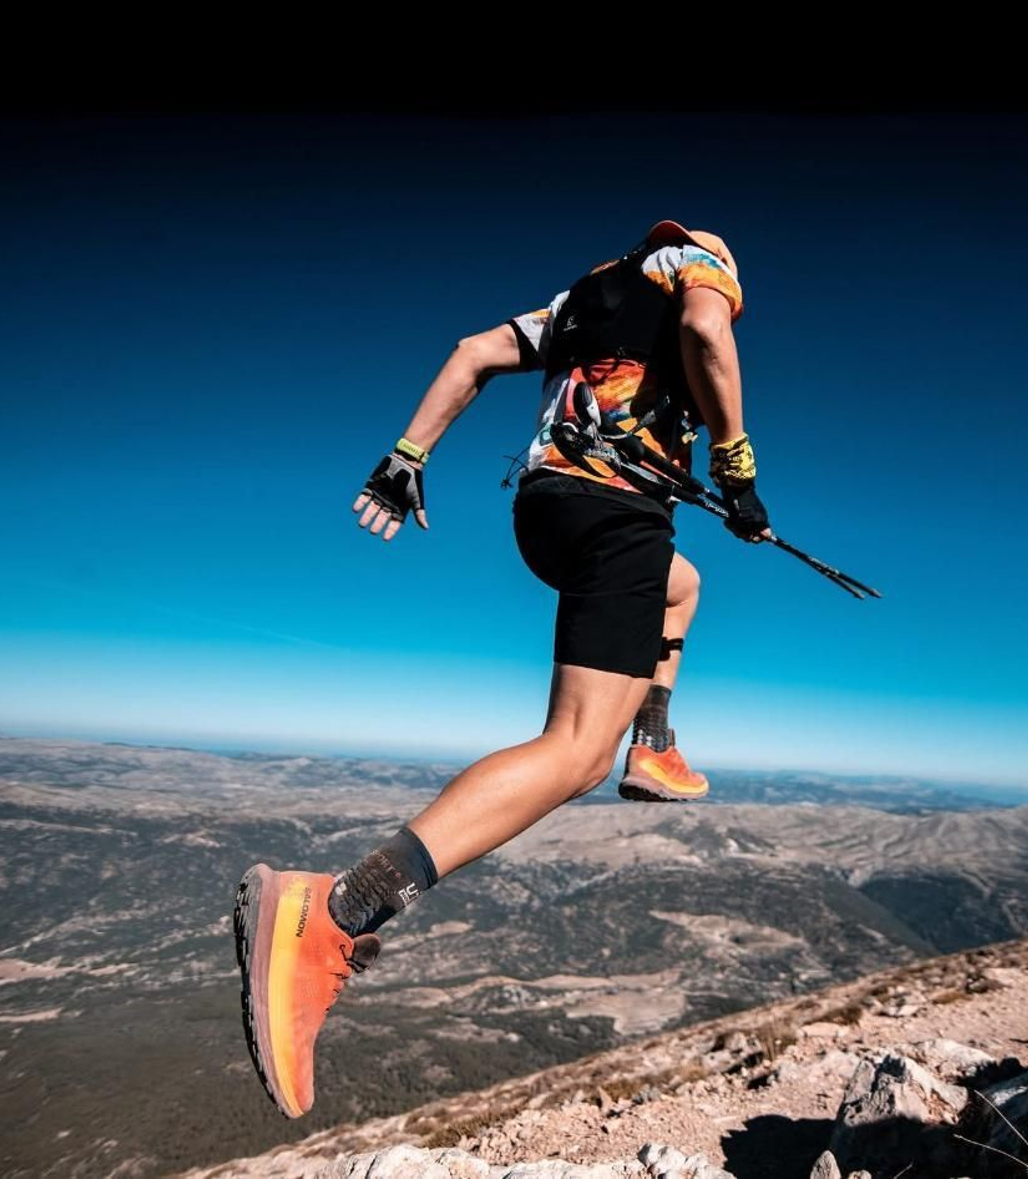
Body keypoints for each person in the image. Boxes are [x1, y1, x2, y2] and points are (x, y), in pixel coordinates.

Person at [232, 221, 771, 1118]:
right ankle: (335, 910)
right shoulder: (699, 266)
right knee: (572, 752)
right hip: (616, 513)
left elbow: (474, 352)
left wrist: (405, 459)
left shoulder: (586, 297)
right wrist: (736, 462)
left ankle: (656, 742)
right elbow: (709, 335)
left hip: (545, 509)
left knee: (685, 587)